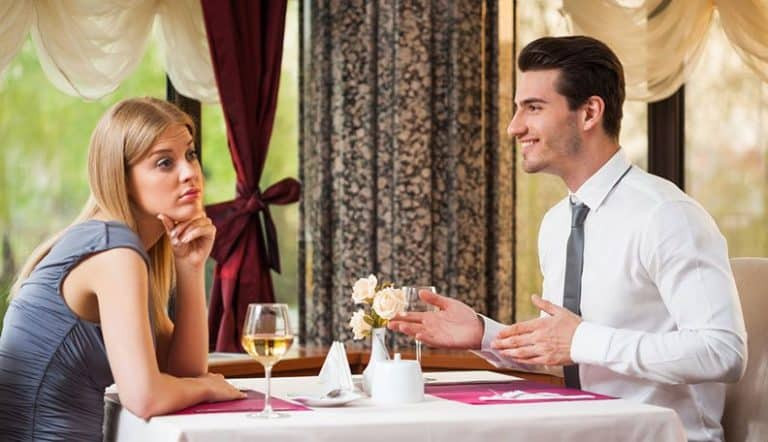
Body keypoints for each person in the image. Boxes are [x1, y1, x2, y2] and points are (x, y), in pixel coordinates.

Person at [389, 36, 747, 442]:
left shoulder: (667, 215)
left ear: (589, 112)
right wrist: (484, 334)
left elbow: (722, 353)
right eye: (517, 108)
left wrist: (582, 340)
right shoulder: (558, 223)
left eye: (534, 108)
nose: (514, 127)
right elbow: (565, 352)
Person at [0, 97, 245, 441]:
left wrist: (190, 269)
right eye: (164, 162)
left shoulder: (113, 244)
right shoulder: (114, 250)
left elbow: (183, 372)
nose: (190, 172)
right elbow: (145, 398)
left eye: (190, 154)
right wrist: (207, 388)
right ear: (122, 177)